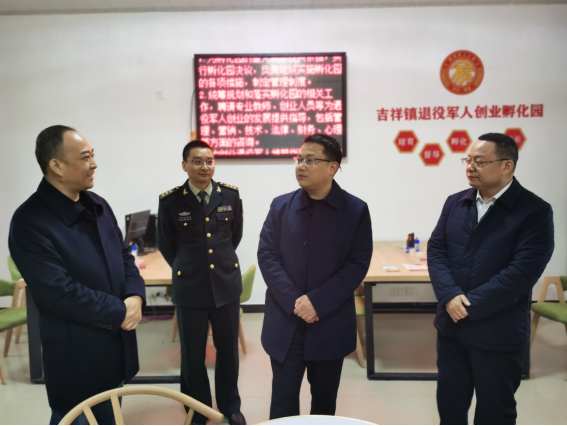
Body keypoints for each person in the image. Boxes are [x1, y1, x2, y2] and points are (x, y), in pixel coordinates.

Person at [9, 126, 146, 425]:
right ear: (56, 166)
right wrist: (120, 310)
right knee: (77, 416)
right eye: (85, 157)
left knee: (110, 413)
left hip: (115, 346)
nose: (94, 164)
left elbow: (124, 255)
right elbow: (58, 291)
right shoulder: (30, 221)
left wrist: (135, 295)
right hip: (76, 355)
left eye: (93, 156)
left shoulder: (97, 204)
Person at [428, 133, 555, 425]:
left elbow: (522, 272)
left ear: (507, 165)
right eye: (468, 160)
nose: (470, 167)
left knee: (495, 411)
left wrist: (467, 305)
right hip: (451, 327)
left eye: (480, 162)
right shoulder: (455, 202)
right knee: (450, 406)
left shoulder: (534, 211)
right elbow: (436, 250)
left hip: (498, 330)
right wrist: (449, 296)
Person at [258, 134, 373, 420]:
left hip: (329, 323)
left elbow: (357, 265)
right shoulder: (280, 206)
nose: (300, 166)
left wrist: (317, 302)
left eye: (310, 160)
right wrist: (296, 302)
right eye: (299, 159)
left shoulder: (355, 210)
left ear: (333, 167)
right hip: (286, 322)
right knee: (282, 405)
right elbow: (267, 256)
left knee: (324, 406)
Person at [157, 140, 246, 426]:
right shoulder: (170, 201)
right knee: (192, 354)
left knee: (228, 351)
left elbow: (234, 236)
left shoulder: (229, 195)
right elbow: (166, 245)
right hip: (190, 288)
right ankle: (198, 408)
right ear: (185, 165)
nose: (204, 167)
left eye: (209, 161)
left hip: (226, 286)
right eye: (197, 161)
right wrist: (188, 266)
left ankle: (230, 406)